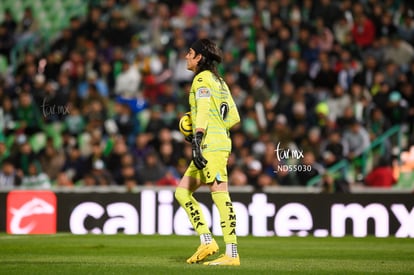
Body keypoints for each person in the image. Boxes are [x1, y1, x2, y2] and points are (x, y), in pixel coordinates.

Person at [174, 38, 241, 266]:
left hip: (209, 146)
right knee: (182, 193)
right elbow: (233, 117)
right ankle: (207, 241)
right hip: (217, 142)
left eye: (189, 52)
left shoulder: (201, 79)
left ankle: (231, 253)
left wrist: (198, 136)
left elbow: (202, 109)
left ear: (199, 57)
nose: (186, 56)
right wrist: (214, 126)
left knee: (220, 193)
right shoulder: (220, 81)